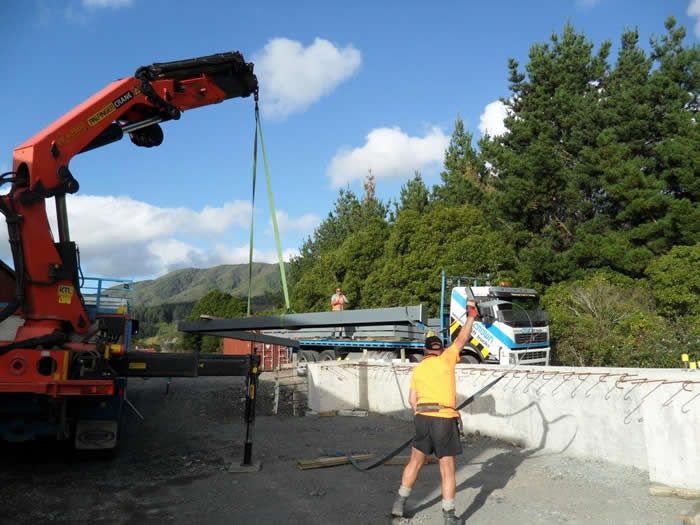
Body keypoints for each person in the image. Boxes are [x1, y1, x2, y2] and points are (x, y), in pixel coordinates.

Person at [391, 299, 479, 525]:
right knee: (447, 469)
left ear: (425, 350)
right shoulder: (447, 359)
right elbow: (462, 339)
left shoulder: (418, 369)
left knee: (415, 462)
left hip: (422, 418)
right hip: (443, 420)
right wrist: (471, 316)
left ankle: (399, 505)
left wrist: (423, 416)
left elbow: (412, 400)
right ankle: (449, 517)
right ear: (440, 349)